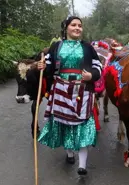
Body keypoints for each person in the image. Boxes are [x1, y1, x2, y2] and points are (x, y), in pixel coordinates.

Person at [37, 16, 102, 175]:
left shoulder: (88, 48)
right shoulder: (56, 46)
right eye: (74, 25)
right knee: (64, 123)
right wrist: (42, 67)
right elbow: (49, 67)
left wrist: (91, 76)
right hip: (61, 90)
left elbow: (98, 67)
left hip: (83, 91)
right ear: (66, 28)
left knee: (82, 124)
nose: (77, 28)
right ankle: (69, 154)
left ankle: (82, 165)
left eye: (80, 25)